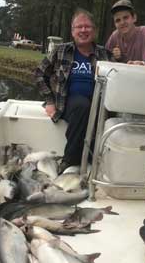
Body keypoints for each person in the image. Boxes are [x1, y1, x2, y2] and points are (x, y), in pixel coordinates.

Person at [34, 9, 113, 173]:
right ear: (72, 31)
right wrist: (49, 101)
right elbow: (40, 73)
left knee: (98, 112)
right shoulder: (61, 50)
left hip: (97, 105)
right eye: (79, 27)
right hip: (68, 102)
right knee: (81, 106)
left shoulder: (104, 54)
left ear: (94, 30)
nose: (83, 30)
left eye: (87, 26)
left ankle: (96, 159)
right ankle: (70, 160)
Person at [106, 0, 145, 67]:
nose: (122, 22)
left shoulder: (144, 32)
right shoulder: (115, 36)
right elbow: (103, 59)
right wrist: (114, 57)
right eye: (118, 20)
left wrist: (141, 66)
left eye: (125, 17)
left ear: (134, 18)